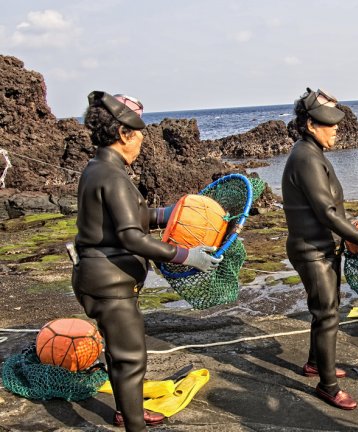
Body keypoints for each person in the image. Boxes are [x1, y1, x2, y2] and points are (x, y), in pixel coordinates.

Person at [72, 91, 222, 431]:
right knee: (130, 358)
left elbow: (128, 219)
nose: (141, 139)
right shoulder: (111, 176)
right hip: (110, 285)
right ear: (124, 134)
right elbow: (131, 236)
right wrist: (188, 255)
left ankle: (129, 411)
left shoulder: (98, 168)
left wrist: (169, 214)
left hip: (98, 278)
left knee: (119, 352)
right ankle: (134, 425)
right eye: (138, 133)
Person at [281, 88, 358, 410]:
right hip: (310, 250)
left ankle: (315, 362)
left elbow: (334, 212)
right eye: (330, 124)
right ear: (311, 125)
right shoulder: (305, 157)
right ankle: (327, 386)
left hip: (322, 247)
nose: (336, 129)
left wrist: (351, 236)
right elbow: (326, 212)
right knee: (327, 313)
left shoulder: (313, 154)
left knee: (328, 309)